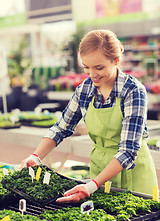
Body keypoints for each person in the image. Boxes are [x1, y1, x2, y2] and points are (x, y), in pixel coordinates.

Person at [20, 29, 158, 203]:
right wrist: (35, 156)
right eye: (86, 67)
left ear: (116, 61)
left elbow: (128, 151)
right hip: (98, 173)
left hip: (133, 174)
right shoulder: (85, 89)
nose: (92, 74)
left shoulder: (133, 91)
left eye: (99, 67)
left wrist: (91, 185)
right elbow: (62, 127)